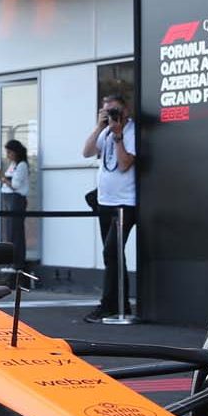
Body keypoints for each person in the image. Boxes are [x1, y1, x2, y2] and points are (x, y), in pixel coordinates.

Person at [81, 94, 148, 322]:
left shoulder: (130, 131)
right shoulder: (106, 131)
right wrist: (100, 126)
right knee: (114, 256)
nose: (112, 116)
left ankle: (109, 305)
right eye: (107, 111)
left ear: (126, 110)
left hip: (124, 203)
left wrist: (118, 135)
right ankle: (121, 305)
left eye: (115, 111)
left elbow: (124, 164)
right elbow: (87, 152)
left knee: (111, 252)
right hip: (105, 201)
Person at [0, 139, 30, 269]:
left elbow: (15, 185)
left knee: (15, 232)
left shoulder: (22, 165)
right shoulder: (13, 164)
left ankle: (17, 263)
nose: (8, 155)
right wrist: (0, 176)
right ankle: (11, 261)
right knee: (9, 232)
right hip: (8, 198)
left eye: (10, 152)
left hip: (16, 199)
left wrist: (1, 175)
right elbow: (6, 181)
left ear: (16, 152)